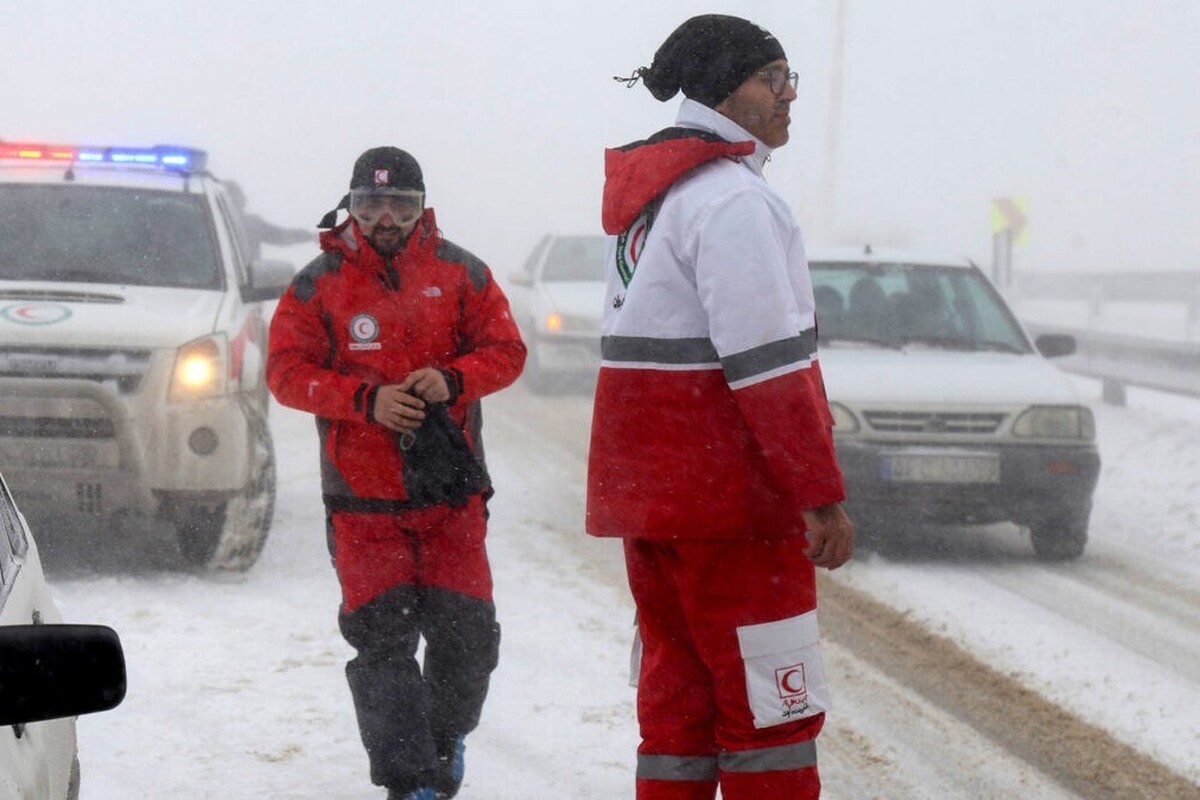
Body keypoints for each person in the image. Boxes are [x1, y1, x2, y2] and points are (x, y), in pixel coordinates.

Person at [586, 15, 855, 800]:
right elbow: (770, 370)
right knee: (772, 718)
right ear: (727, 89)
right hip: (732, 509)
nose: (790, 96)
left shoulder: (652, 201)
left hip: (657, 505)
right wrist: (820, 494)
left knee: (679, 713)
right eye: (775, 78)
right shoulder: (734, 202)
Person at [266, 147, 526, 800]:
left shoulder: (463, 272)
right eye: (370, 204)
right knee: (383, 650)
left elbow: (508, 350)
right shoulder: (316, 282)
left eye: (401, 205)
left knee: (467, 641)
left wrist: (455, 379)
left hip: (451, 497)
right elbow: (285, 374)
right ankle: (410, 784)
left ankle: (446, 739)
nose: (386, 218)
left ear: (421, 208)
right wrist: (364, 400)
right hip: (362, 505)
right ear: (350, 206)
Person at [224, 179, 312, 260]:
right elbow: (282, 237)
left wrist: (309, 236)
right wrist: (309, 236)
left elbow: (282, 236)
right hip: (246, 275)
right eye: (234, 200)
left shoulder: (253, 225)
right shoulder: (252, 225)